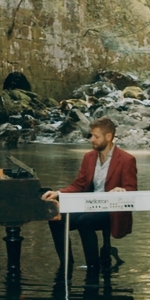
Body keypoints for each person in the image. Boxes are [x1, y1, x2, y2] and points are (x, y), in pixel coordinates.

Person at [43, 117, 136, 274]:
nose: (91, 139)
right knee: (55, 218)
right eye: (91, 135)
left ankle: (93, 269)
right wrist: (58, 193)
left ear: (109, 136)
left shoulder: (127, 160)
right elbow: (78, 185)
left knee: (85, 221)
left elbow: (132, 190)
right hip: (89, 206)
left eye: (96, 136)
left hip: (112, 210)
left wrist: (122, 190)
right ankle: (66, 265)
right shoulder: (89, 157)